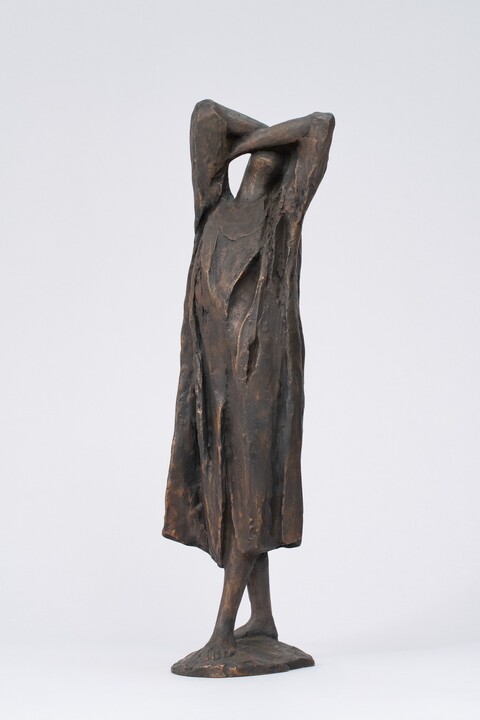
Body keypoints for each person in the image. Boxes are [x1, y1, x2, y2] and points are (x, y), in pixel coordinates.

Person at [163, 100, 335, 660]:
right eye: (254, 157)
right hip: (212, 377)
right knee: (232, 483)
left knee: (251, 483)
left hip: (260, 370)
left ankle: (222, 632)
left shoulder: (283, 215)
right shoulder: (212, 206)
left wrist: (264, 143)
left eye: (274, 157)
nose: (264, 160)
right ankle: (261, 618)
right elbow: (206, 116)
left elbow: (320, 127)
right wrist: (258, 140)